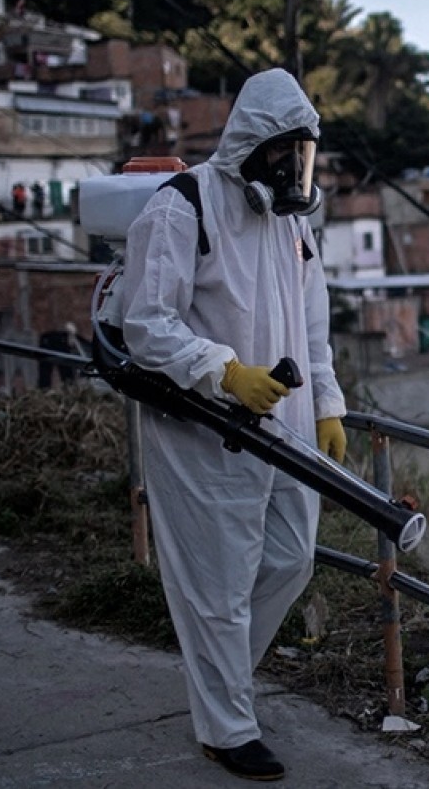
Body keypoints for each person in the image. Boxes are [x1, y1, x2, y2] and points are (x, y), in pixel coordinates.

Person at [116, 68, 346, 782]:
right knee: (218, 582)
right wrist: (222, 371)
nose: (292, 171)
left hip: (286, 424)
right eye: (283, 155)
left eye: (301, 157)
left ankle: (220, 683)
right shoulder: (182, 209)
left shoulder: (291, 224)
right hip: (203, 427)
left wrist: (330, 402)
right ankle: (226, 728)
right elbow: (145, 324)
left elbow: (314, 324)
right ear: (253, 144)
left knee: (289, 559)